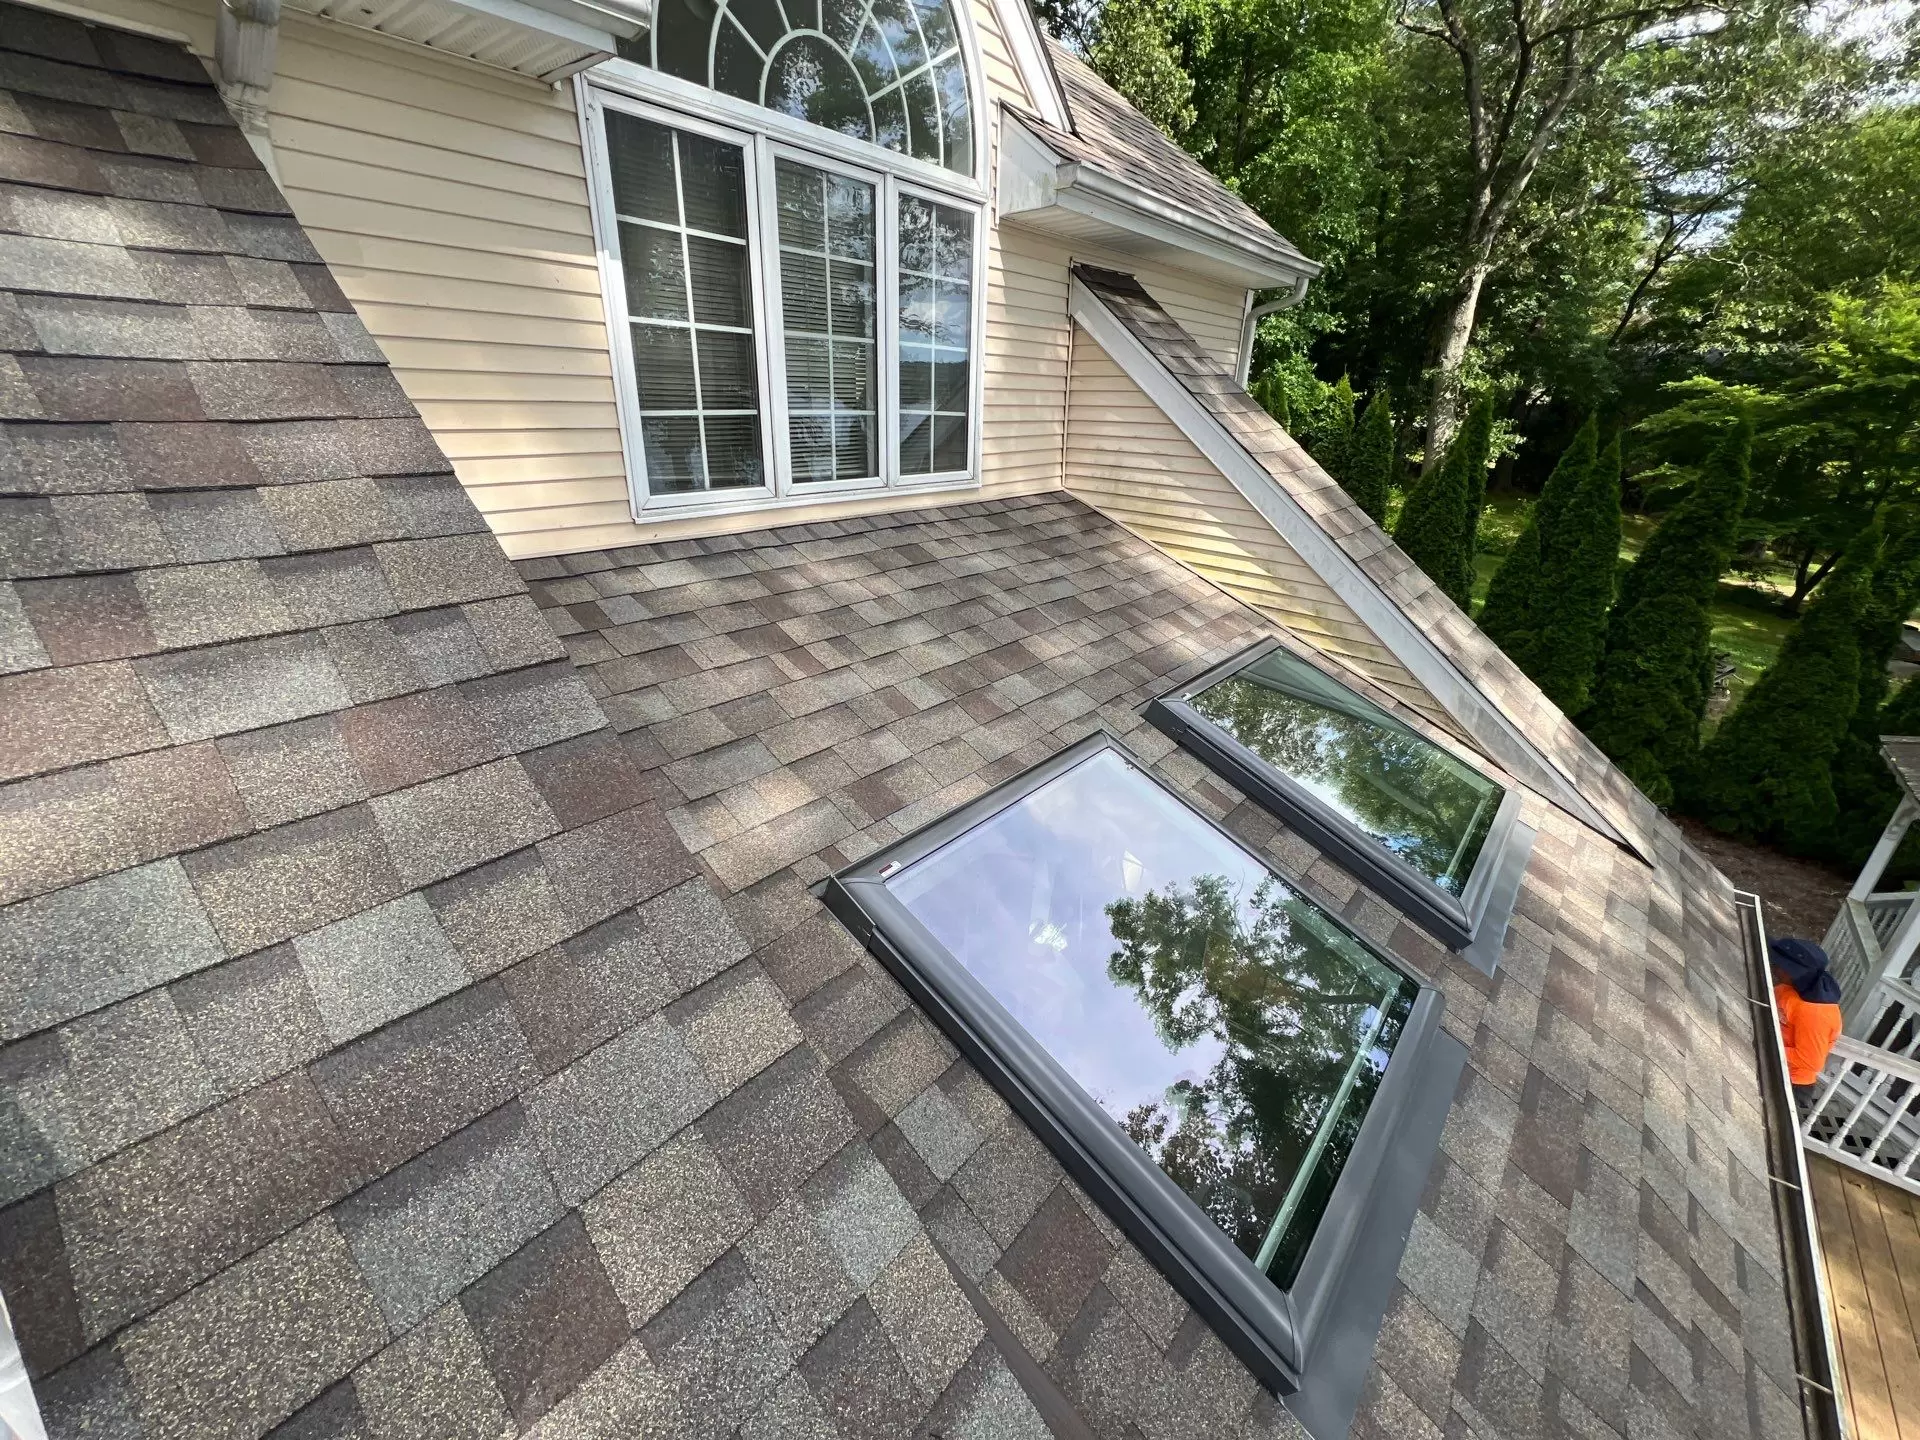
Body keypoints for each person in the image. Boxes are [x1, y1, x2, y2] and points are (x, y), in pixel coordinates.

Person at [1770, 937, 1843, 1111]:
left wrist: (1765, 1045)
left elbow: (1810, 1061)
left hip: (1791, 1082)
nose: (1774, 967)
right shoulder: (1788, 989)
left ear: (1792, 971)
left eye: (1778, 964)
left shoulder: (1815, 1013)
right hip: (1775, 1064)